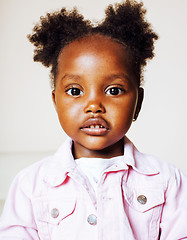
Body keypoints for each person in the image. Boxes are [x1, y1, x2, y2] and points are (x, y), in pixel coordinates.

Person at [0, 0, 187, 239]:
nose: (94, 106)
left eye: (114, 90)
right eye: (76, 91)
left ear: (137, 103)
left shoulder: (168, 181)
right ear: (55, 102)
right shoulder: (30, 186)